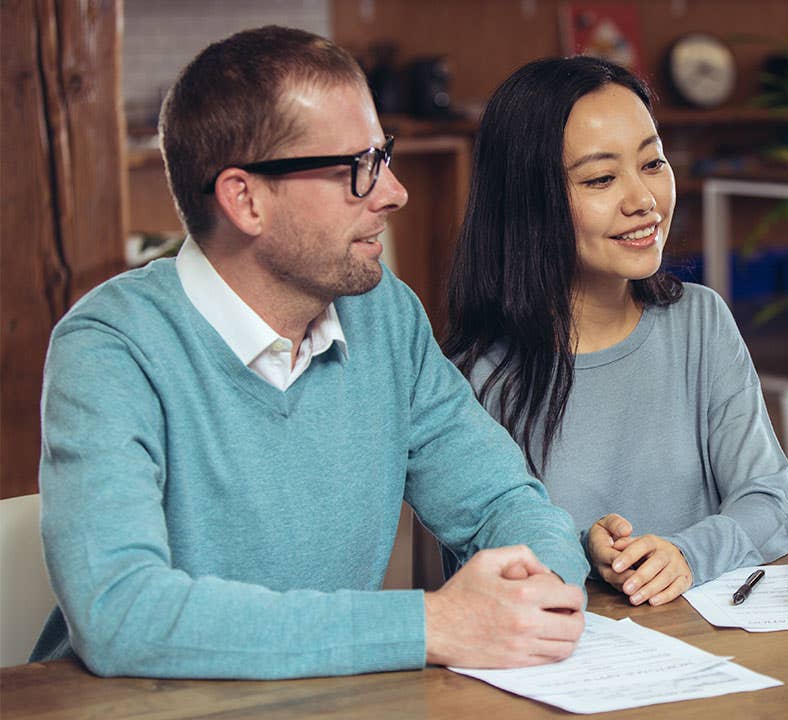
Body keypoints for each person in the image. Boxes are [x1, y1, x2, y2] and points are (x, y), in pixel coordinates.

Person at [33, 26, 589, 679]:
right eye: (358, 169)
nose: (393, 192)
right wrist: (431, 625)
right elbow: (121, 615)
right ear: (245, 199)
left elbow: (504, 502)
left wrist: (537, 588)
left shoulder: (387, 318)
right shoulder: (110, 349)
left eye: (384, 154)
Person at [443, 57, 788, 607]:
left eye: (652, 163)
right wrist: (583, 548)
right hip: (566, 659)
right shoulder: (474, 377)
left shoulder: (700, 322)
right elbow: (478, 563)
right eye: (602, 178)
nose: (643, 201)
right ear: (529, 201)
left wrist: (686, 553)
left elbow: (769, 503)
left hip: (708, 645)